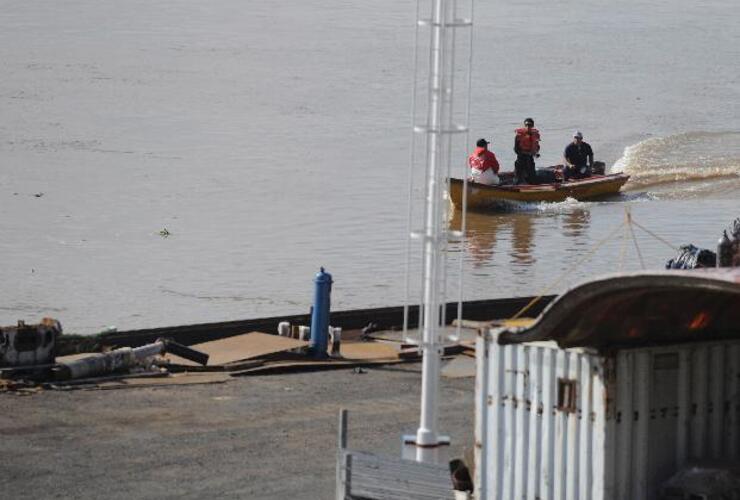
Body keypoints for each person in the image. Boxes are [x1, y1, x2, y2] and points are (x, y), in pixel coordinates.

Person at [514, 118, 540, 184]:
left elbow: (537, 147)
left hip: (530, 158)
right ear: (524, 126)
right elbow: (516, 149)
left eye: (530, 125)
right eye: (526, 125)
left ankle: (533, 185)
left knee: (532, 177)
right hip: (521, 158)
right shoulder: (519, 136)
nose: (528, 127)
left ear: (532, 126)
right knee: (518, 177)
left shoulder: (535, 135)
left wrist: (536, 153)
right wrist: (525, 153)